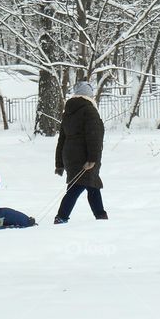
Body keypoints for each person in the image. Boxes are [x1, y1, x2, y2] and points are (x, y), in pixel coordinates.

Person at [54, 81, 108, 224]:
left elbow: (62, 139)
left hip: (70, 156)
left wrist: (59, 163)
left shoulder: (69, 112)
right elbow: (93, 136)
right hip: (84, 156)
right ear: (89, 95)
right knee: (77, 186)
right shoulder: (89, 110)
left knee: (93, 185)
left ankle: (101, 215)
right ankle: (61, 216)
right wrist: (92, 159)